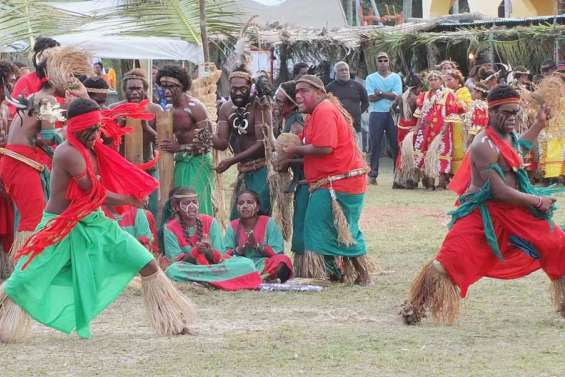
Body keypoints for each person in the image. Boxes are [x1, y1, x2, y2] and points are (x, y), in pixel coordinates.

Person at [0, 98, 195, 342]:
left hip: (92, 221)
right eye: (89, 130)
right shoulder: (69, 153)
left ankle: (172, 322)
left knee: (146, 262)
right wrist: (130, 199)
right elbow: (93, 193)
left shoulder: (92, 146)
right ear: (75, 128)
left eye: (97, 128)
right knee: (24, 279)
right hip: (60, 226)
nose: (95, 135)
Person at [400, 85, 565, 325]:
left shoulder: (507, 136)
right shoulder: (482, 144)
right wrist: (537, 200)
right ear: (491, 111)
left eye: (515, 113)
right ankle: (415, 306)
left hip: (516, 211)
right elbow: (498, 191)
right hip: (484, 212)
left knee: (557, 244)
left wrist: (539, 123)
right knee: (448, 262)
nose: (511, 118)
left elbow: (519, 148)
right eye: (506, 113)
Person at [285, 75, 370, 285]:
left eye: (304, 90)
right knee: (333, 230)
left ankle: (361, 275)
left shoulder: (324, 110)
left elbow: (325, 147)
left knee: (339, 230)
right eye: (296, 91)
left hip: (339, 183)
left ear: (319, 92)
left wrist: (293, 149)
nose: (298, 95)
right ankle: (336, 273)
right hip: (331, 182)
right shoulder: (317, 113)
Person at [163, 187, 262, 290]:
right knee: (172, 270)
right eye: (186, 203)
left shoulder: (210, 222)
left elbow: (220, 256)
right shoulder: (170, 228)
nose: (192, 206)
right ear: (176, 207)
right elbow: (176, 262)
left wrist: (208, 251)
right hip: (192, 268)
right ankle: (218, 281)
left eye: (194, 202)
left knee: (247, 264)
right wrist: (195, 252)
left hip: (215, 267)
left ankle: (204, 281)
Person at [215, 66, 273, 219]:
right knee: (237, 218)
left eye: (242, 89)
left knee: (258, 215)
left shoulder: (260, 105)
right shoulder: (225, 108)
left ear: (250, 87)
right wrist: (205, 135)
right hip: (243, 171)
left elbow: (263, 143)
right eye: (234, 89)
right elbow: (221, 142)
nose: (238, 93)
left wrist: (231, 161)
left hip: (261, 170)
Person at [157, 65, 215, 216]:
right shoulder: (168, 109)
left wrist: (181, 148)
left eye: (171, 86)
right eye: (163, 86)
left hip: (198, 162)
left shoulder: (195, 107)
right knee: (179, 202)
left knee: (196, 203)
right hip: (181, 163)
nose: (166, 90)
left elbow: (208, 142)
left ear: (182, 86)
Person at [111, 68, 161, 215]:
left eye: (138, 88)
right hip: (122, 170)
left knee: (150, 211)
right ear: (124, 90)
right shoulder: (114, 109)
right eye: (130, 89)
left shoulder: (154, 109)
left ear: (144, 89)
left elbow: (162, 142)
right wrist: (119, 126)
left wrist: (145, 127)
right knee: (126, 213)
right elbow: (106, 141)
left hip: (148, 168)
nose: (134, 92)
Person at [273, 81, 309, 275]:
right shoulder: (287, 119)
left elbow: (296, 153)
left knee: (302, 224)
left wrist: (285, 163)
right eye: (275, 101)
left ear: (290, 103)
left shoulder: (296, 122)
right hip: (300, 180)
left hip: (307, 181)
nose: (276, 105)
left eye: (279, 101)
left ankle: (307, 267)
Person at [224, 190, 292, 283]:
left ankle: (263, 278)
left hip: (264, 264)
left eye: (249, 202)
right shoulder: (232, 226)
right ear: (236, 207)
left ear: (257, 207)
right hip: (241, 264)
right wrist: (240, 249)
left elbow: (277, 251)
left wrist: (257, 245)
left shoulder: (269, 223)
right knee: (226, 265)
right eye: (241, 203)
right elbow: (225, 254)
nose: (245, 206)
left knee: (283, 260)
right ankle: (260, 279)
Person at [413, 70, 460, 189]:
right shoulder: (424, 96)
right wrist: (417, 129)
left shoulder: (448, 94)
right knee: (427, 153)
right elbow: (420, 114)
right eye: (431, 80)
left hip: (441, 130)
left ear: (441, 81)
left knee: (442, 153)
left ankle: (442, 182)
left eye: (436, 79)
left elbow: (452, 112)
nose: (433, 82)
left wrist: (445, 127)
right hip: (426, 130)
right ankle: (429, 180)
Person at [365, 52, 402, 185]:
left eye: (385, 60)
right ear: (376, 62)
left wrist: (380, 93)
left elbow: (397, 97)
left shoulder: (396, 77)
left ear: (389, 61)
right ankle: (373, 174)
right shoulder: (370, 78)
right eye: (380, 60)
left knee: (395, 144)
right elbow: (370, 97)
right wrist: (388, 94)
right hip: (376, 113)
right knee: (375, 144)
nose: (382, 62)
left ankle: (398, 174)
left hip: (392, 113)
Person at [9, 37, 59, 115]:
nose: (56, 60)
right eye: (50, 55)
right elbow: (15, 112)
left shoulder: (67, 80)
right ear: (39, 58)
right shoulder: (26, 80)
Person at [326, 61, 369, 148]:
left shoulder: (357, 86)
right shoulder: (329, 88)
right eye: (341, 70)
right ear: (335, 73)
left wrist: (358, 113)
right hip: (337, 127)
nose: (345, 72)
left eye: (346, 70)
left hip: (355, 126)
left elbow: (366, 102)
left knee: (357, 152)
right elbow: (326, 105)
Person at [392, 74, 423, 189]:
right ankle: (410, 180)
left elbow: (392, 108)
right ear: (417, 87)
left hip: (401, 127)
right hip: (412, 128)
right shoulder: (417, 98)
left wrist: (398, 119)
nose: (421, 90)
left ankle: (398, 180)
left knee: (402, 153)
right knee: (411, 154)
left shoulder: (400, 97)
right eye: (421, 88)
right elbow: (420, 114)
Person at [444, 69, 472, 174]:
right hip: (446, 125)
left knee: (458, 148)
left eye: (449, 80)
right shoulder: (445, 92)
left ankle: (459, 173)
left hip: (459, 125)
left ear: (457, 80)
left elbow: (467, 107)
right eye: (446, 80)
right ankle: (447, 172)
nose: (447, 83)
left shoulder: (464, 91)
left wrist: (454, 100)